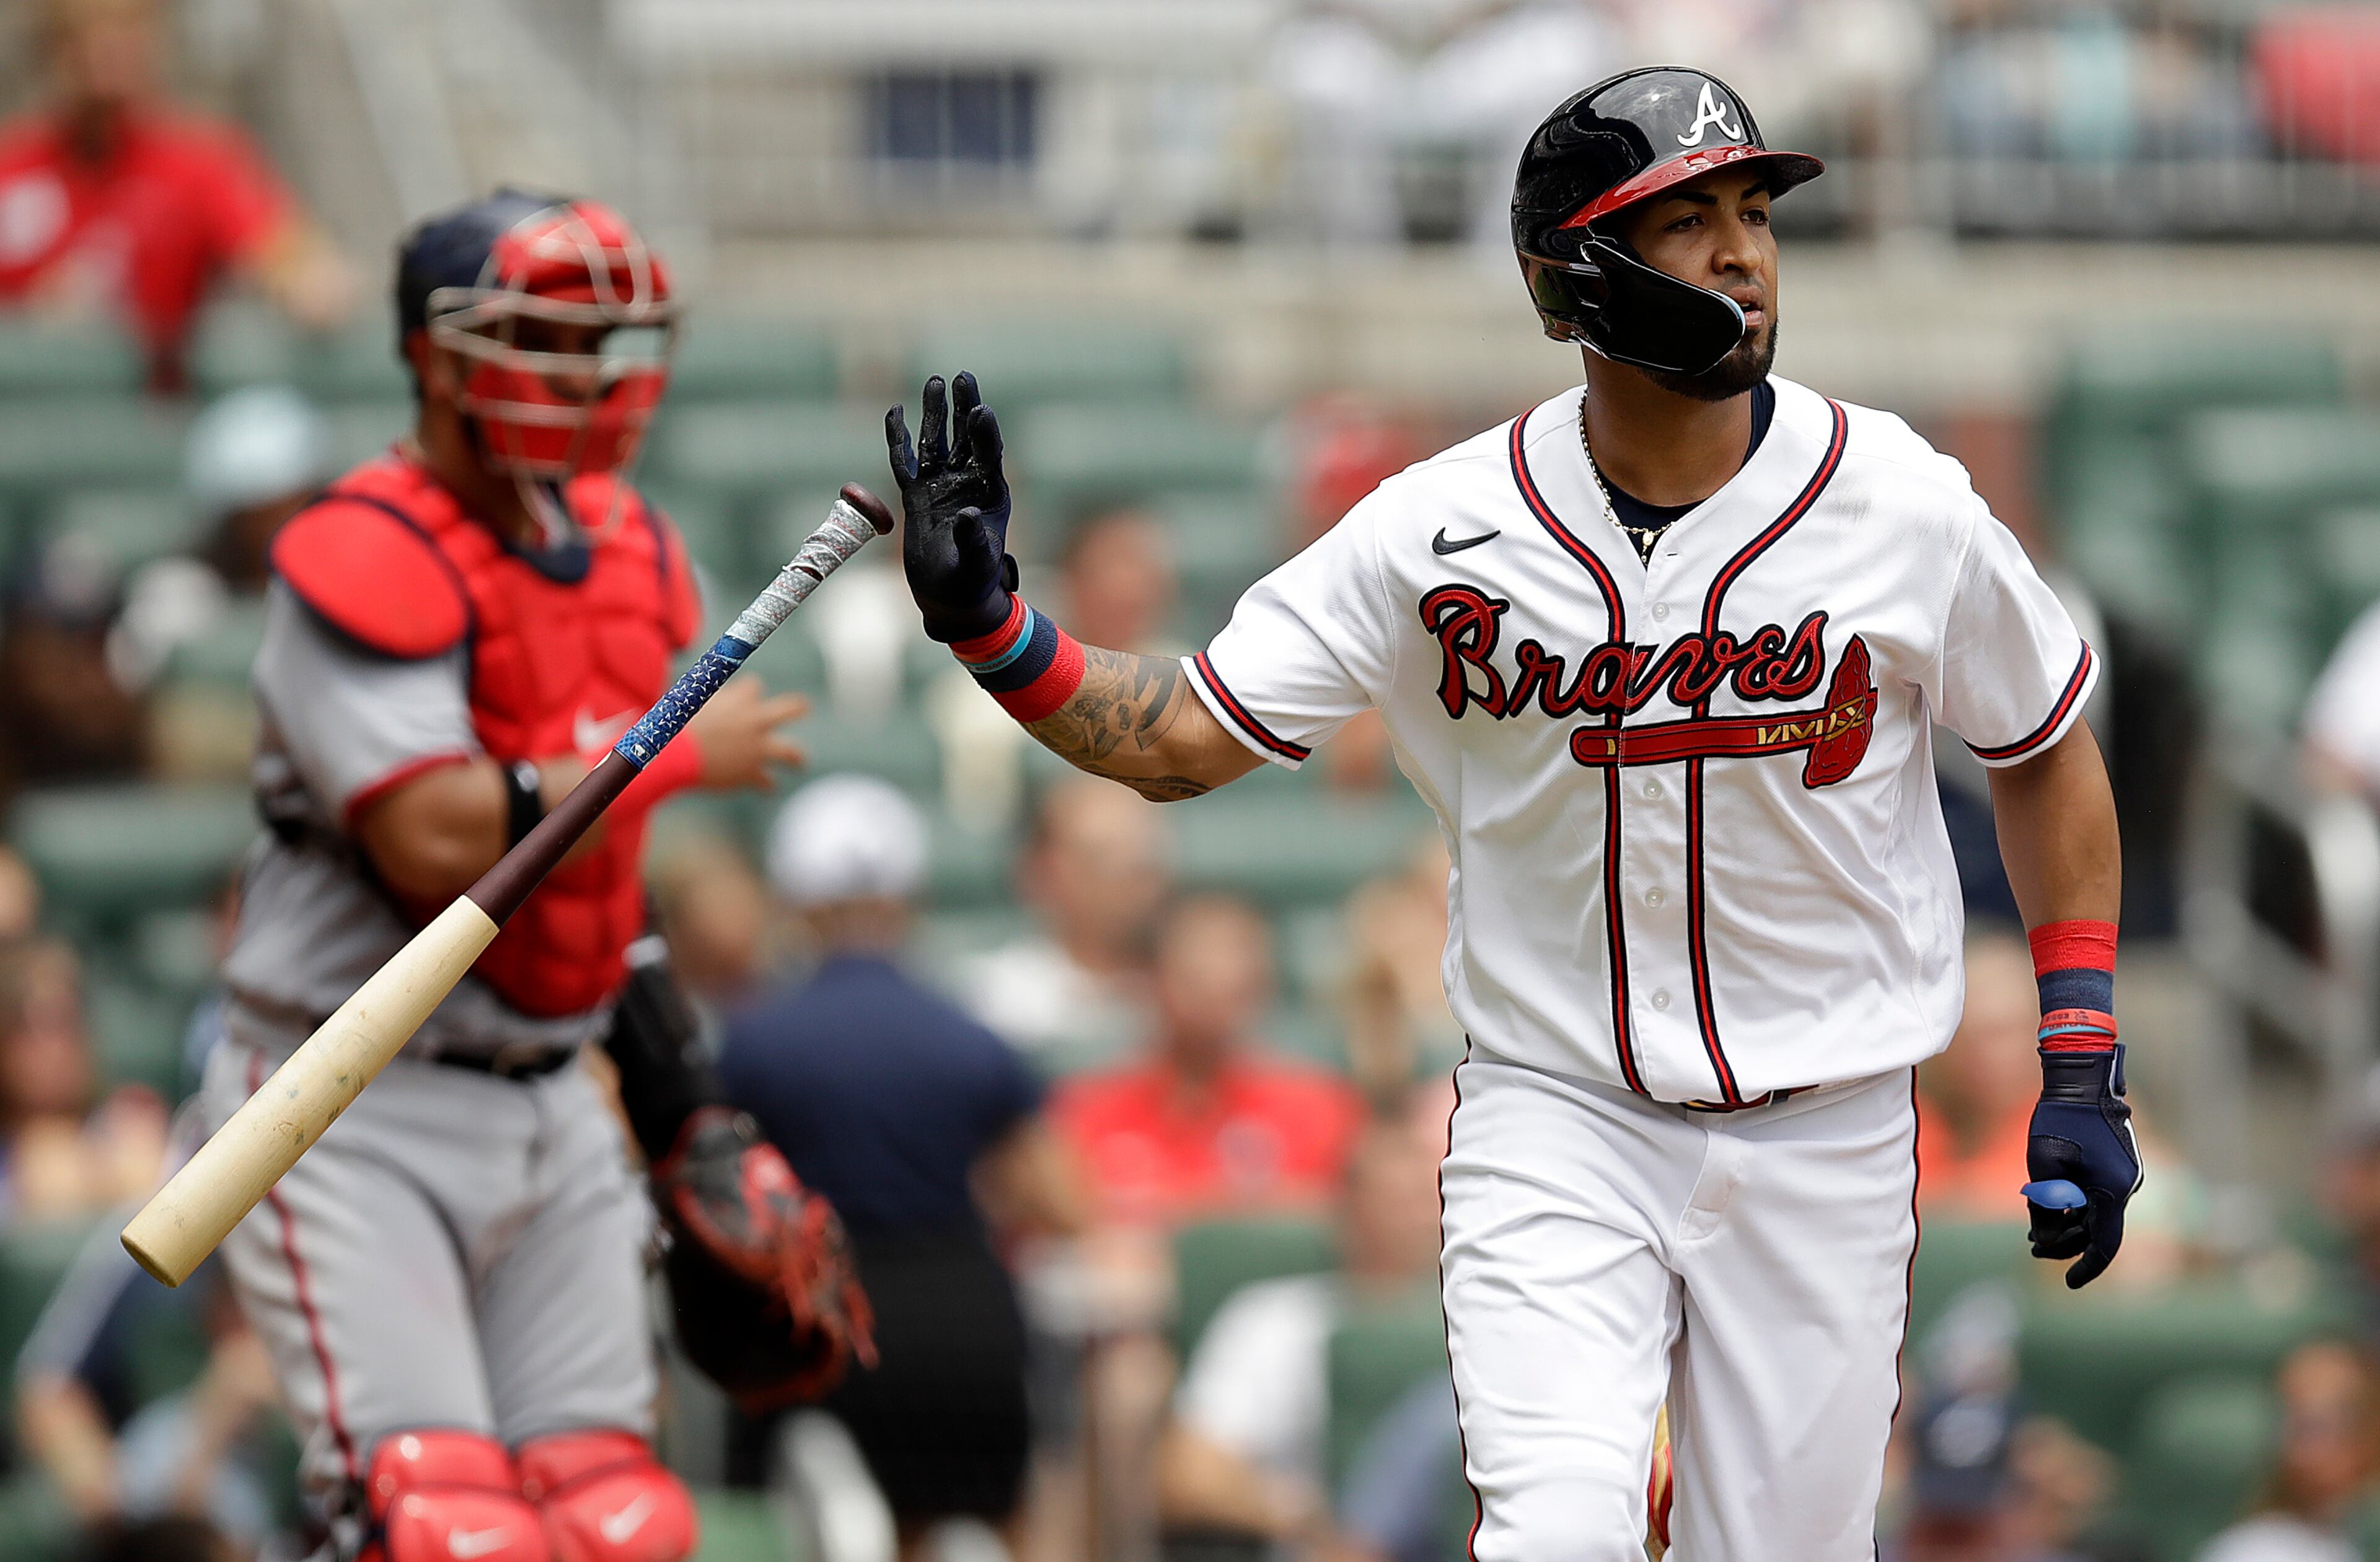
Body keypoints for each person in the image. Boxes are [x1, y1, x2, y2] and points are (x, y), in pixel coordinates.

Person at [885, 66, 2133, 1558]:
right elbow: (1184, 737)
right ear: (1569, 282)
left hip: (1829, 1127)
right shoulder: (1436, 530)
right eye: (1684, 222)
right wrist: (995, 632)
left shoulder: (1897, 502)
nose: (1741, 251)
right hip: (1560, 1117)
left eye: (1752, 211)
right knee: (1556, 1536)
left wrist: (2077, 1048)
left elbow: (2046, 742)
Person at [195, 189, 829, 1562]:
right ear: (436, 356)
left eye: (592, 340)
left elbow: (603, 880)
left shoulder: (627, 550)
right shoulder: (358, 555)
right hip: (354, 1098)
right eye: (538, 338)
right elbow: (429, 839)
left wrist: (683, 1102)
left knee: (617, 1518)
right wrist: (659, 753)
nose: (578, 373)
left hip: (552, 1091)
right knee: (446, 1523)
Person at [718, 774, 1083, 1561]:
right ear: (905, 901)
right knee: (1002, 1523)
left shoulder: (753, 1042)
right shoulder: (973, 1039)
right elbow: (1060, 1202)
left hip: (814, 1327)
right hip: (963, 1326)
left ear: (798, 905)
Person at [0, 0, 351, 387]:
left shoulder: (196, 161)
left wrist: (305, 279)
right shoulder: (13, 165)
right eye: (86, 38)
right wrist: (30, 316)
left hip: (156, 411)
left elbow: (282, 250)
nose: (106, 55)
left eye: (125, 33)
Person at [1155, 1102, 1446, 1550]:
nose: (1417, 1217)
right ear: (1347, 1207)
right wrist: (1303, 1519)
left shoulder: (1478, 1322)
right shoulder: (1276, 1320)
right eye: (1395, 1199)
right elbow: (1188, 1474)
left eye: (1428, 1198)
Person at [1052, 895, 1364, 1228]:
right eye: (1197, 971)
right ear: (1151, 977)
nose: (1220, 978)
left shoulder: (1323, 1109)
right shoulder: (1082, 1113)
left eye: (1239, 961)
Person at [961, 774, 1173, 1067]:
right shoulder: (994, 1004)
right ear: (1041, 871)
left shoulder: (1194, 998)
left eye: (1145, 854)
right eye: (1102, 856)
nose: (1134, 874)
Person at [2198, 1341, 2379, 1562]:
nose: (2300, 1449)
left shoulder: (2357, 1531)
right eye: (2298, 1426)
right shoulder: (2255, 1550)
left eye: (2319, 1425)